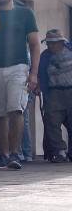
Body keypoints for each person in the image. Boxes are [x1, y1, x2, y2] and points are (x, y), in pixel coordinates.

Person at [0, 0, 41, 170]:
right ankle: (4, 155)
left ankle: (15, 154)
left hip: (19, 67)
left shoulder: (25, 13)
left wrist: (34, 73)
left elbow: (34, 44)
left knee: (16, 109)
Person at [38, 29, 72, 163]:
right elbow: (40, 73)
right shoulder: (45, 56)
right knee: (52, 122)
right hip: (53, 92)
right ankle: (59, 151)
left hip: (70, 90)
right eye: (48, 43)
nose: (51, 46)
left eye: (54, 43)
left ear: (62, 42)